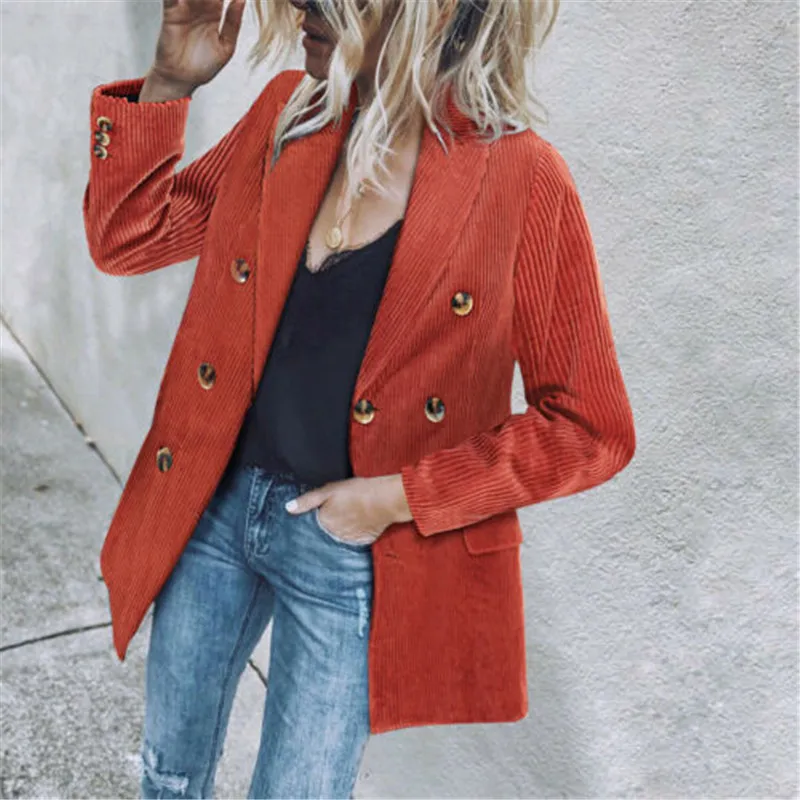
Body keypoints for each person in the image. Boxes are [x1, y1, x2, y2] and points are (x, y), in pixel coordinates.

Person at [82, 0, 636, 797]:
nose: (306, 6)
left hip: (348, 549)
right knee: (167, 771)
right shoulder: (290, 114)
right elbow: (129, 238)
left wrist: (398, 497)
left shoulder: (519, 179)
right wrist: (169, 81)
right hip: (214, 504)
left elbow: (590, 426)